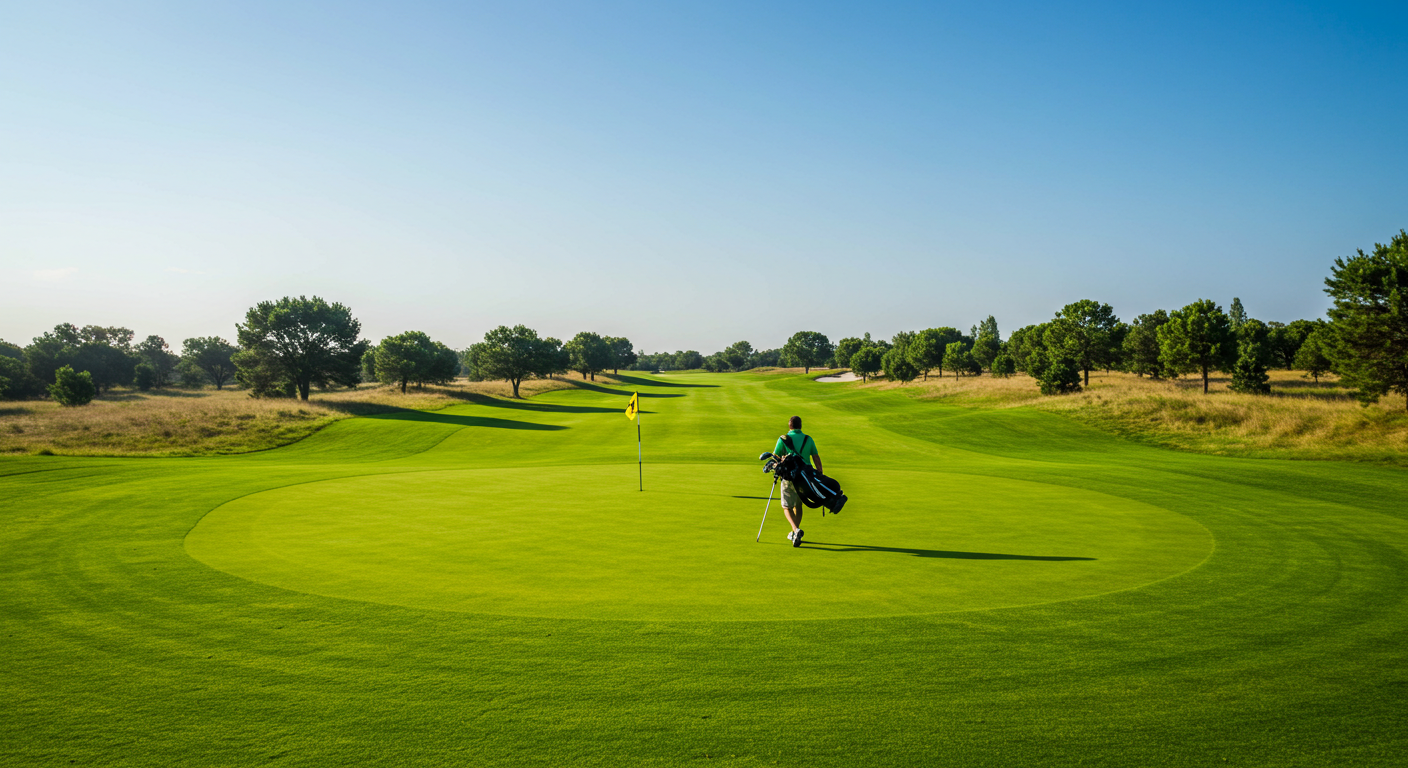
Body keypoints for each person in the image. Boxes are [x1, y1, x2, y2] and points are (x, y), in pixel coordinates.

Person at [773, 415, 822, 548]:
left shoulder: (783, 439)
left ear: (789, 426)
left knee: (786, 506)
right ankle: (796, 533)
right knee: (798, 506)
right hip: (804, 478)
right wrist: (820, 473)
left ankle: (795, 530)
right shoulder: (808, 439)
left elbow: (775, 458)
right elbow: (816, 457)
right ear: (800, 426)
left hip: (788, 477)